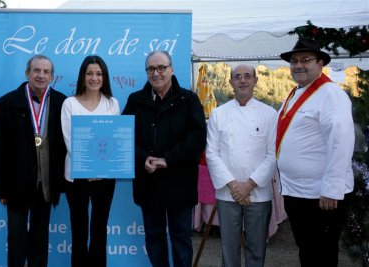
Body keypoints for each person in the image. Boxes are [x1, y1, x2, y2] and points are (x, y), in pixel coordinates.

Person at [122, 50, 206, 267]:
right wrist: (144, 158)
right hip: (148, 182)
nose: (156, 73)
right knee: (154, 236)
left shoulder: (189, 99)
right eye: (151, 68)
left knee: (180, 238)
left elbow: (197, 138)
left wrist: (167, 160)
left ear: (172, 69)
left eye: (161, 67)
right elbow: (123, 136)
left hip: (180, 183)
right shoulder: (135, 100)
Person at [277, 38, 355, 267]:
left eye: (306, 60)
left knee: (322, 252)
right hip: (297, 192)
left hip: (321, 196)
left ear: (320, 63)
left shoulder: (331, 93)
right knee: (307, 250)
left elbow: (341, 142)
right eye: (294, 61)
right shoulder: (295, 93)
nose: (298, 65)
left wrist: (332, 189)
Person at [0, 55, 67, 267]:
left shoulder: (62, 102)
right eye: (36, 70)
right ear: (27, 73)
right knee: (16, 238)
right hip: (17, 184)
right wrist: (0, 188)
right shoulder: (7, 102)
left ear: (52, 76)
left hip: (46, 184)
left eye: (46, 71)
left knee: (40, 237)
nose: (41, 75)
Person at [206, 64, 277, 267]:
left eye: (247, 76)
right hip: (228, 193)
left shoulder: (269, 114)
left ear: (255, 80)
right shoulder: (218, 114)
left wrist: (248, 186)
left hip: (259, 192)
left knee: (257, 249)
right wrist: (234, 186)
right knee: (229, 248)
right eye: (237, 76)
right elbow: (212, 153)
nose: (243, 80)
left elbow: (272, 155)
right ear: (230, 82)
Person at [61, 55, 119, 267]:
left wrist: (100, 170)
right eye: (90, 73)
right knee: (79, 230)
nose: (94, 78)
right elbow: (70, 142)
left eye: (99, 73)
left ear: (104, 77)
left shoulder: (112, 104)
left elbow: (113, 140)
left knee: (99, 231)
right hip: (76, 178)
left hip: (105, 179)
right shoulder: (69, 104)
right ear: (82, 76)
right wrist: (91, 169)